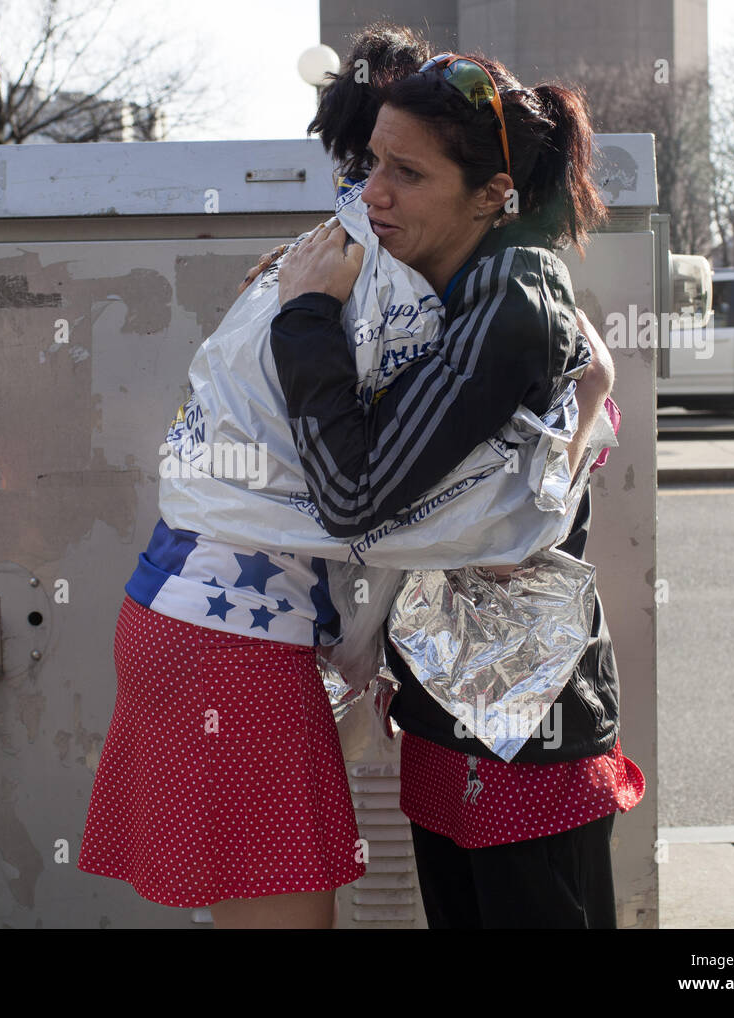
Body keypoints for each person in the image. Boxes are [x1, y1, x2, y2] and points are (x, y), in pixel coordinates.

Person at [77, 26, 456, 931]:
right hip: (235, 646)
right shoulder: (389, 285)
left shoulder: (310, 254)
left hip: (179, 609)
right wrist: (366, 634)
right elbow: (405, 494)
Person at [268, 49, 642, 928]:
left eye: (406, 173)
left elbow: (354, 493)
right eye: (369, 167)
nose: (372, 195)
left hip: (522, 731)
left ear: (491, 194)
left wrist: (306, 316)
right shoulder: (458, 284)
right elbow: (598, 372)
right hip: (457, 705)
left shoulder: (511, 294)